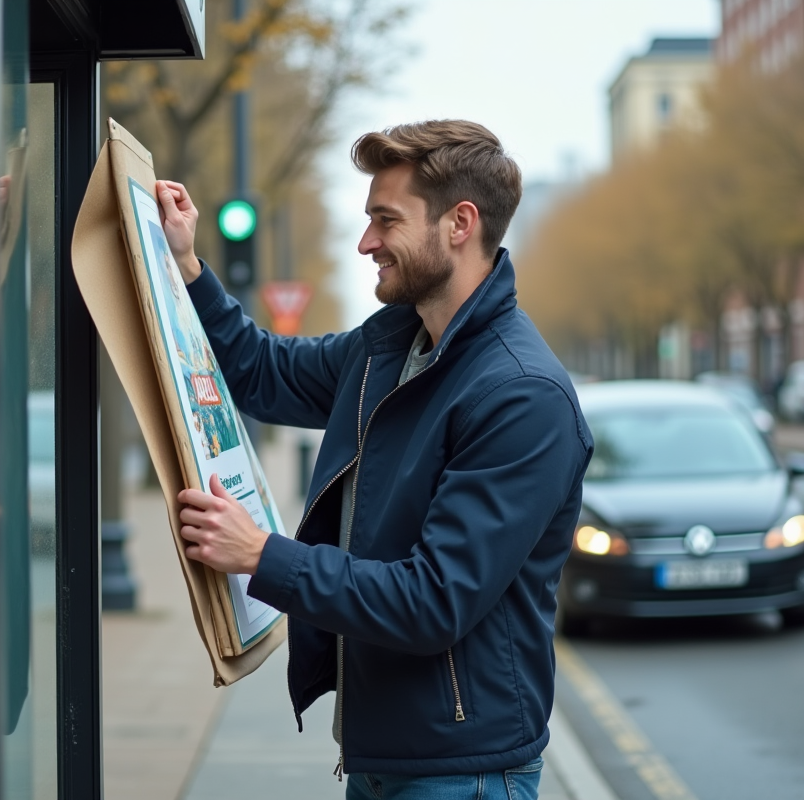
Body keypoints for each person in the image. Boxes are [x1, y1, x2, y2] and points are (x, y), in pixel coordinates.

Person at [157, 120, 592, 800]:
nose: (366, 243)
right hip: (385, 755)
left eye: (385, 221)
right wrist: (188, 267)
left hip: (463, 774)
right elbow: (264, 370)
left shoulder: (522, 397)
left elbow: (433, 601)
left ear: (460, 223)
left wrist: (262, 555)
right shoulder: (388, 347)